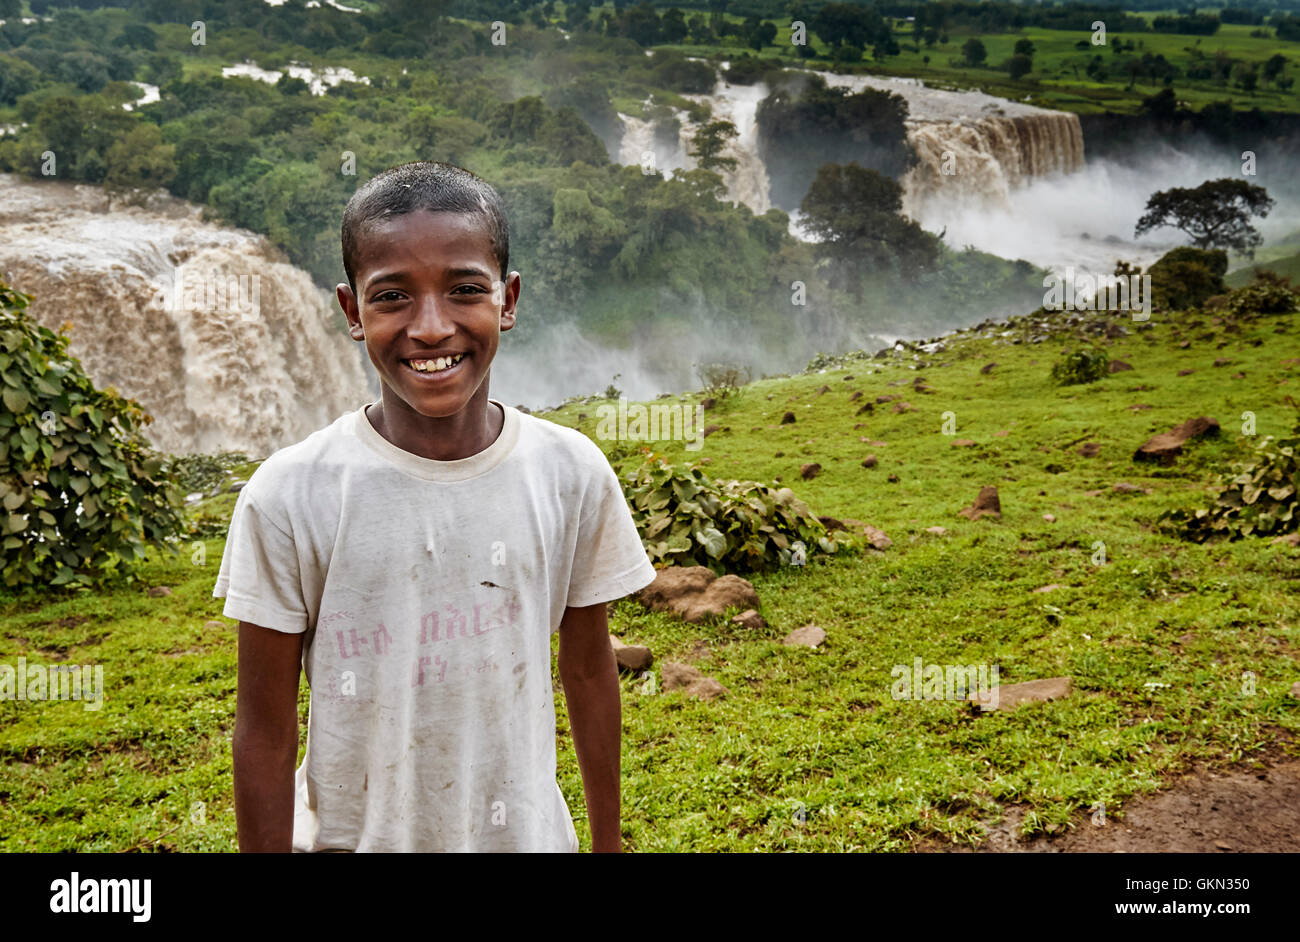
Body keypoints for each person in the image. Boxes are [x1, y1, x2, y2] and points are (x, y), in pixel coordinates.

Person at [215, 160, 657, 852]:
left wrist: (606, 843)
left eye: (463, 290)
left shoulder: (569, 472)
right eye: (392, 296)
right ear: (351, 312)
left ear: (507, 301)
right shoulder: (290, 494)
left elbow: (590, 669)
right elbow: (265, 732)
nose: (430, 327)